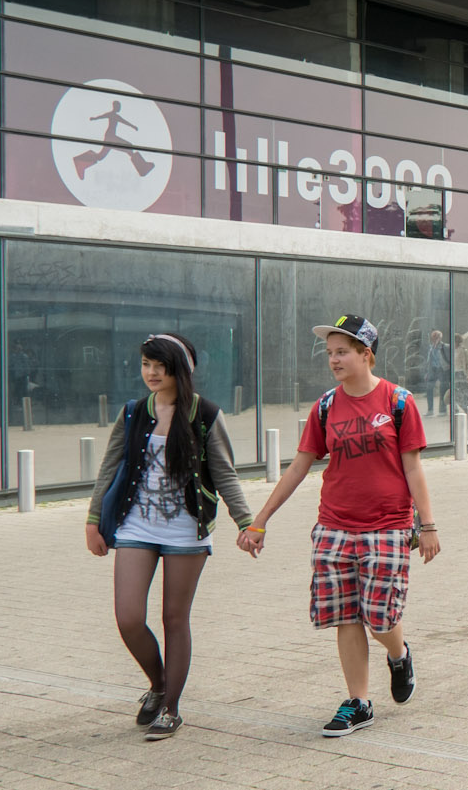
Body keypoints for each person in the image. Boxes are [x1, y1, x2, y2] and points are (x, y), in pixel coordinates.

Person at [238, 315, 438, 738]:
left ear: (367, 354)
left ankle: (399, 654)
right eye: (330, 353)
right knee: (347, 615)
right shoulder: (326, 406)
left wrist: (430, 524)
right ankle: (359, 702)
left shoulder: (398, 402)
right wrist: (260, 520)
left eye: (342, 351)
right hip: (334, 526)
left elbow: (414, 468)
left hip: (388, 526)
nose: (334, 360)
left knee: (380, 619)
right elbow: (298, 466)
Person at [85, 334, 251, 740]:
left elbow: (225, 473)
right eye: (146, 364)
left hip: (185, 529)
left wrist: (248, 523)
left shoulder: (205, 414)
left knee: (174, 618)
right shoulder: (132, 413)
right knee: (128, 618)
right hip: (135, 525)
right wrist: (93, 519)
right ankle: (158, 685)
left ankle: (171, 708)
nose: (152, 372)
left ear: (182, 368)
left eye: (161, 365)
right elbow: (109, 468)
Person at [424, 330, 450, 414]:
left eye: (436, 338)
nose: (434, 340)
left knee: (443, 389)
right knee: (429, 388)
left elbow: (449, 358)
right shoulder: (431, 348)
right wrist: (427, 372)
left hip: (442, 369)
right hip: (433, 369)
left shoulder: (445, 347)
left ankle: (442, 410)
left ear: (439, 338)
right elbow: (429, 360)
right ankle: (430, 409)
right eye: (433, 338)